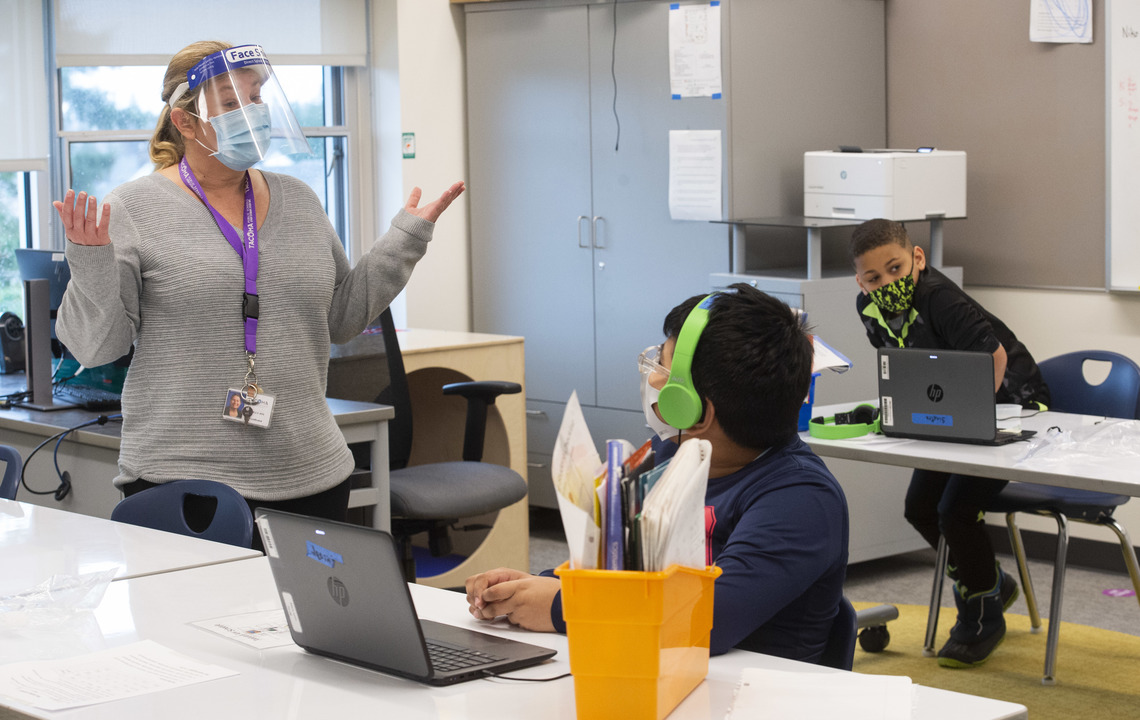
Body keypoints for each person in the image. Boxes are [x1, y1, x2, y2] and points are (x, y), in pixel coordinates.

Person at [52, 41, 464, 542]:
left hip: (311, 474)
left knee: (301, 623)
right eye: (231, 102)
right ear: (185, 123)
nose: (253, 112)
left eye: (258, 95)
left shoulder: (299, 199)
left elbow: (342, 319)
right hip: (183, 485)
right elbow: (99, 347)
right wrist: (90, 260)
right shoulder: (133, 209)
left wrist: (404, 240)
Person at [466, 284, 850, 662]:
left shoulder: (800, 499)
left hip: (756, 693)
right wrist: (541, 584)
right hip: (661, 671)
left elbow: (704, 619)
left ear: (694, 409)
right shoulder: (670, 452)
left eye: (662, 367)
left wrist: (559, 606)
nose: (651, 379)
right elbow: (621, 560)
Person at [848, 218, 1050, 668]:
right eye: (874, 277)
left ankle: (982, 614)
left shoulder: (940, 298)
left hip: (1012, 409)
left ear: (917, 258)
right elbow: (904, 365)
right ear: (859, 280)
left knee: (954, 511)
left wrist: (971, 424)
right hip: (952, 418)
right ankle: (990, 580)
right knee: (919, 509)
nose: (888, 282)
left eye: (896, 268)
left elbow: (993, 359)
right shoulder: (867, 308)